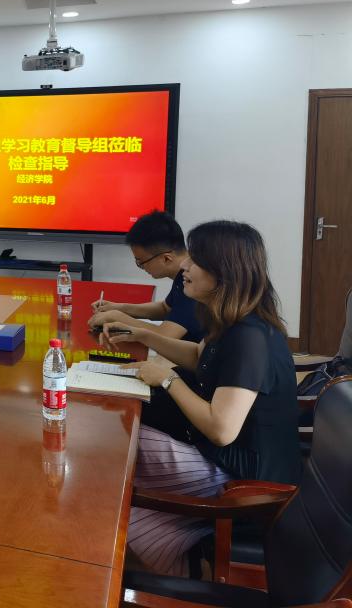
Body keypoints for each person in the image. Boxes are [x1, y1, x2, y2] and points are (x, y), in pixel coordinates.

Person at [103, 221, 301, 576]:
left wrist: (167, 379)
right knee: (123, 443)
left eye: (195, 261)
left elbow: (222, 429)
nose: (184, 266)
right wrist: (144, 336)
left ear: (223, 273)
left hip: (240, 476)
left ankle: (156, 563)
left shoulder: (249, 338)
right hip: (222, 457)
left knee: (121, 442)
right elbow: (199, 357)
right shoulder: (232, 318)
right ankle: (168, 562)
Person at [89, 210, 201, 342]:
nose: (142, 268)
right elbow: (165, 308)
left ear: (166, 259)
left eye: (141, 262)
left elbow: (165, 335)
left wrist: (117, 317)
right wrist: (119, 308)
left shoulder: (193, 281)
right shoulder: (185, 273)